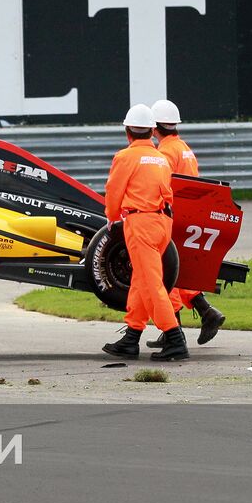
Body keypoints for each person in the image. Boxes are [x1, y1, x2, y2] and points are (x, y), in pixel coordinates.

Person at [101, 104, 186, 361]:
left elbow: (114, 191)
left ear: (128, 132)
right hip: (163, 224)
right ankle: (131, 338)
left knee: (151, 284)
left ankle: (174, 337)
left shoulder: (125, 157)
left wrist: (112, 217)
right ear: (151, 131)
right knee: (140, 280)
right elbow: (168, 194)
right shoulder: (161, 157)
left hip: (141, 224)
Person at [149, 98, 225, 346]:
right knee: (179, 273)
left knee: (167, 274)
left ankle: (176, 331)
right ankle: (205, 313)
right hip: (189, 215)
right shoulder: (184, 148)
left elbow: (160, 186)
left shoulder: (165, 152)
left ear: (154, 127)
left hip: (172, 217)